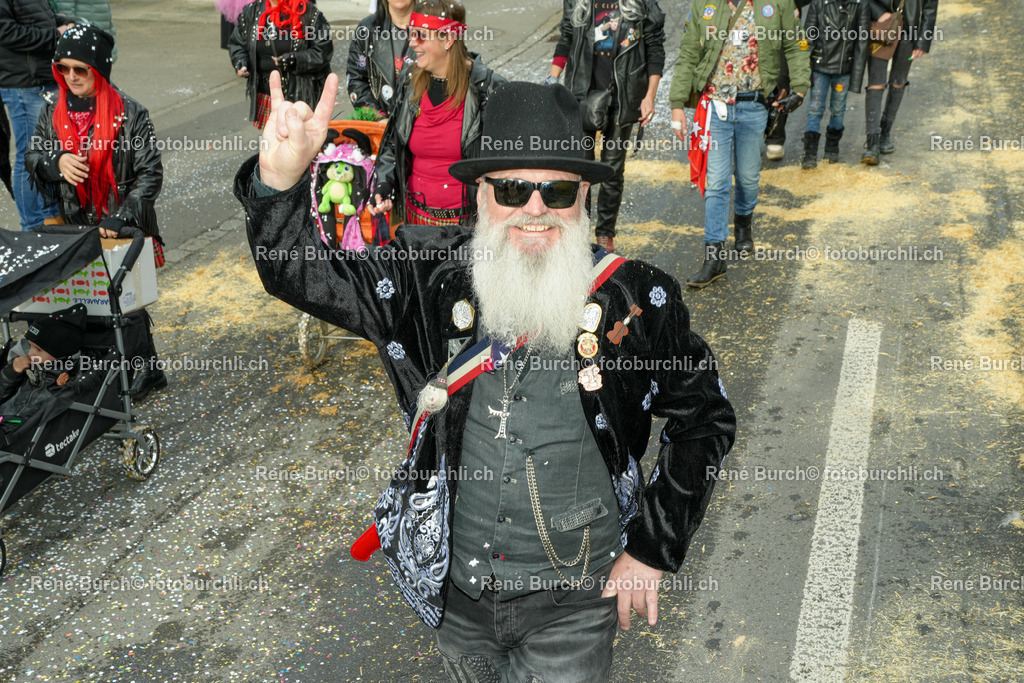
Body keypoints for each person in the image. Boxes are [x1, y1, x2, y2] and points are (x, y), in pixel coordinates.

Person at [236, 74, 735, 680]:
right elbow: (304, 275)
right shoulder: (425, 273)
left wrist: (653, 548)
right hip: (459, 601)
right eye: (513, 188)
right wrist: (280, 181)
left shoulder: (639, 297)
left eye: (557, 192)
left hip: (574, 603)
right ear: (479, 193)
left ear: (583, 199)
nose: (534, 209)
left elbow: (705, 417)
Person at [24, 25, 166, 401]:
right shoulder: (50, 109)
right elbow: (32, 158)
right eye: (64, 69)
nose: (71, 78)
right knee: (89, 300)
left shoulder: (130, 113)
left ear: (99, 70)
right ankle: (105, 367)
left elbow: (150, 173)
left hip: (121, 222)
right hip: (75, 222)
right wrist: (57, 163)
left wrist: (119, 218)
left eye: (80, 70)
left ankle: (144, 372)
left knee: (128, 301)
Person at [669, 0, 810, 287]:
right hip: (716, 107)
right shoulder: (705, 5)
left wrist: (800, 87)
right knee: (717, 182)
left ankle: (744, 224)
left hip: (754, 106)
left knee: (747, 177)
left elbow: (795, 45)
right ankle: (714, 257)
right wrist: (676, 106)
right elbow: (688, 52)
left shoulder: (779, 4)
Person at [370, 0, 504, 226]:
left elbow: (504, 165)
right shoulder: (410, 82)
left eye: (421, 35)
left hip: (468, 227)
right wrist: (385, 185)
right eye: (411, 33)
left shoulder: (488, 90)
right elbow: (394, 144)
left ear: (448, 39)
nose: (412, 43)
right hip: (415, 223)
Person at [548, 0, 665, 253]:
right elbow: (566, 39)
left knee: (612, 170)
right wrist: (552, 79)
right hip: (582, 94)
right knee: (580, 170)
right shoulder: (578, 2)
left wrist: (649, 96)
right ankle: (579, 233)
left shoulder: (641, 4)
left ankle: (604, 236)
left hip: (623, 98)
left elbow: (655, 48)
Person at [0, 0, 68, 231]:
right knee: (29, 155)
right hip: (23, 83)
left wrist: (64, 23)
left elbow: (37, 17)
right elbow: (6, 32)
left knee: (47, 150)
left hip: (41, 77)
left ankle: (50, 215)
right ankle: (32, 225)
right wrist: (54, 35)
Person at [228, 0, 333, 129]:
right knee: (273, 140)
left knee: (298, 141)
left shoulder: (308, 14)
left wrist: (293, 60)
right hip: (266, 92)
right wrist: (241, 62)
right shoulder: (252, 11)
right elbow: (238, 44)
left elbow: (322, 51)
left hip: (298, 93)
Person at [860, 0, 938, 164]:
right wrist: (878, 12)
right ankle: (872, 144)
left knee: (898, 82)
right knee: (876, 83)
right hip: (882, 27)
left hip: (909, 32)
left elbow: (930, 8)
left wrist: (923, 41)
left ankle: (885, 134)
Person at [800, 0, 869, 168]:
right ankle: (809, 153)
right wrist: (802, 69)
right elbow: (808, 35)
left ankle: (832, 147)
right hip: (819, 65)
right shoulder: (818, 3)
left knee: (838, 109)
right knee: (815, 109)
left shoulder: (860, 4)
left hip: (843, 68)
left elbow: (862, 40)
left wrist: (856, 77)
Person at [0, 304, 86, 418]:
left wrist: (66, 385)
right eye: (30, 346)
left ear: (59, 354)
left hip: (24, 427)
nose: (30, 353)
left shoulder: (73, 372)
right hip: (6, 417)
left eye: (38, 350)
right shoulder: (27, 362)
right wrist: (11, 373)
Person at [345, 0, 416, 117]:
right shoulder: (367, 29)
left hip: (423, 128)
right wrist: (377, 118)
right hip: (381, 127)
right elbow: (356, 79)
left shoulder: (433, 29)